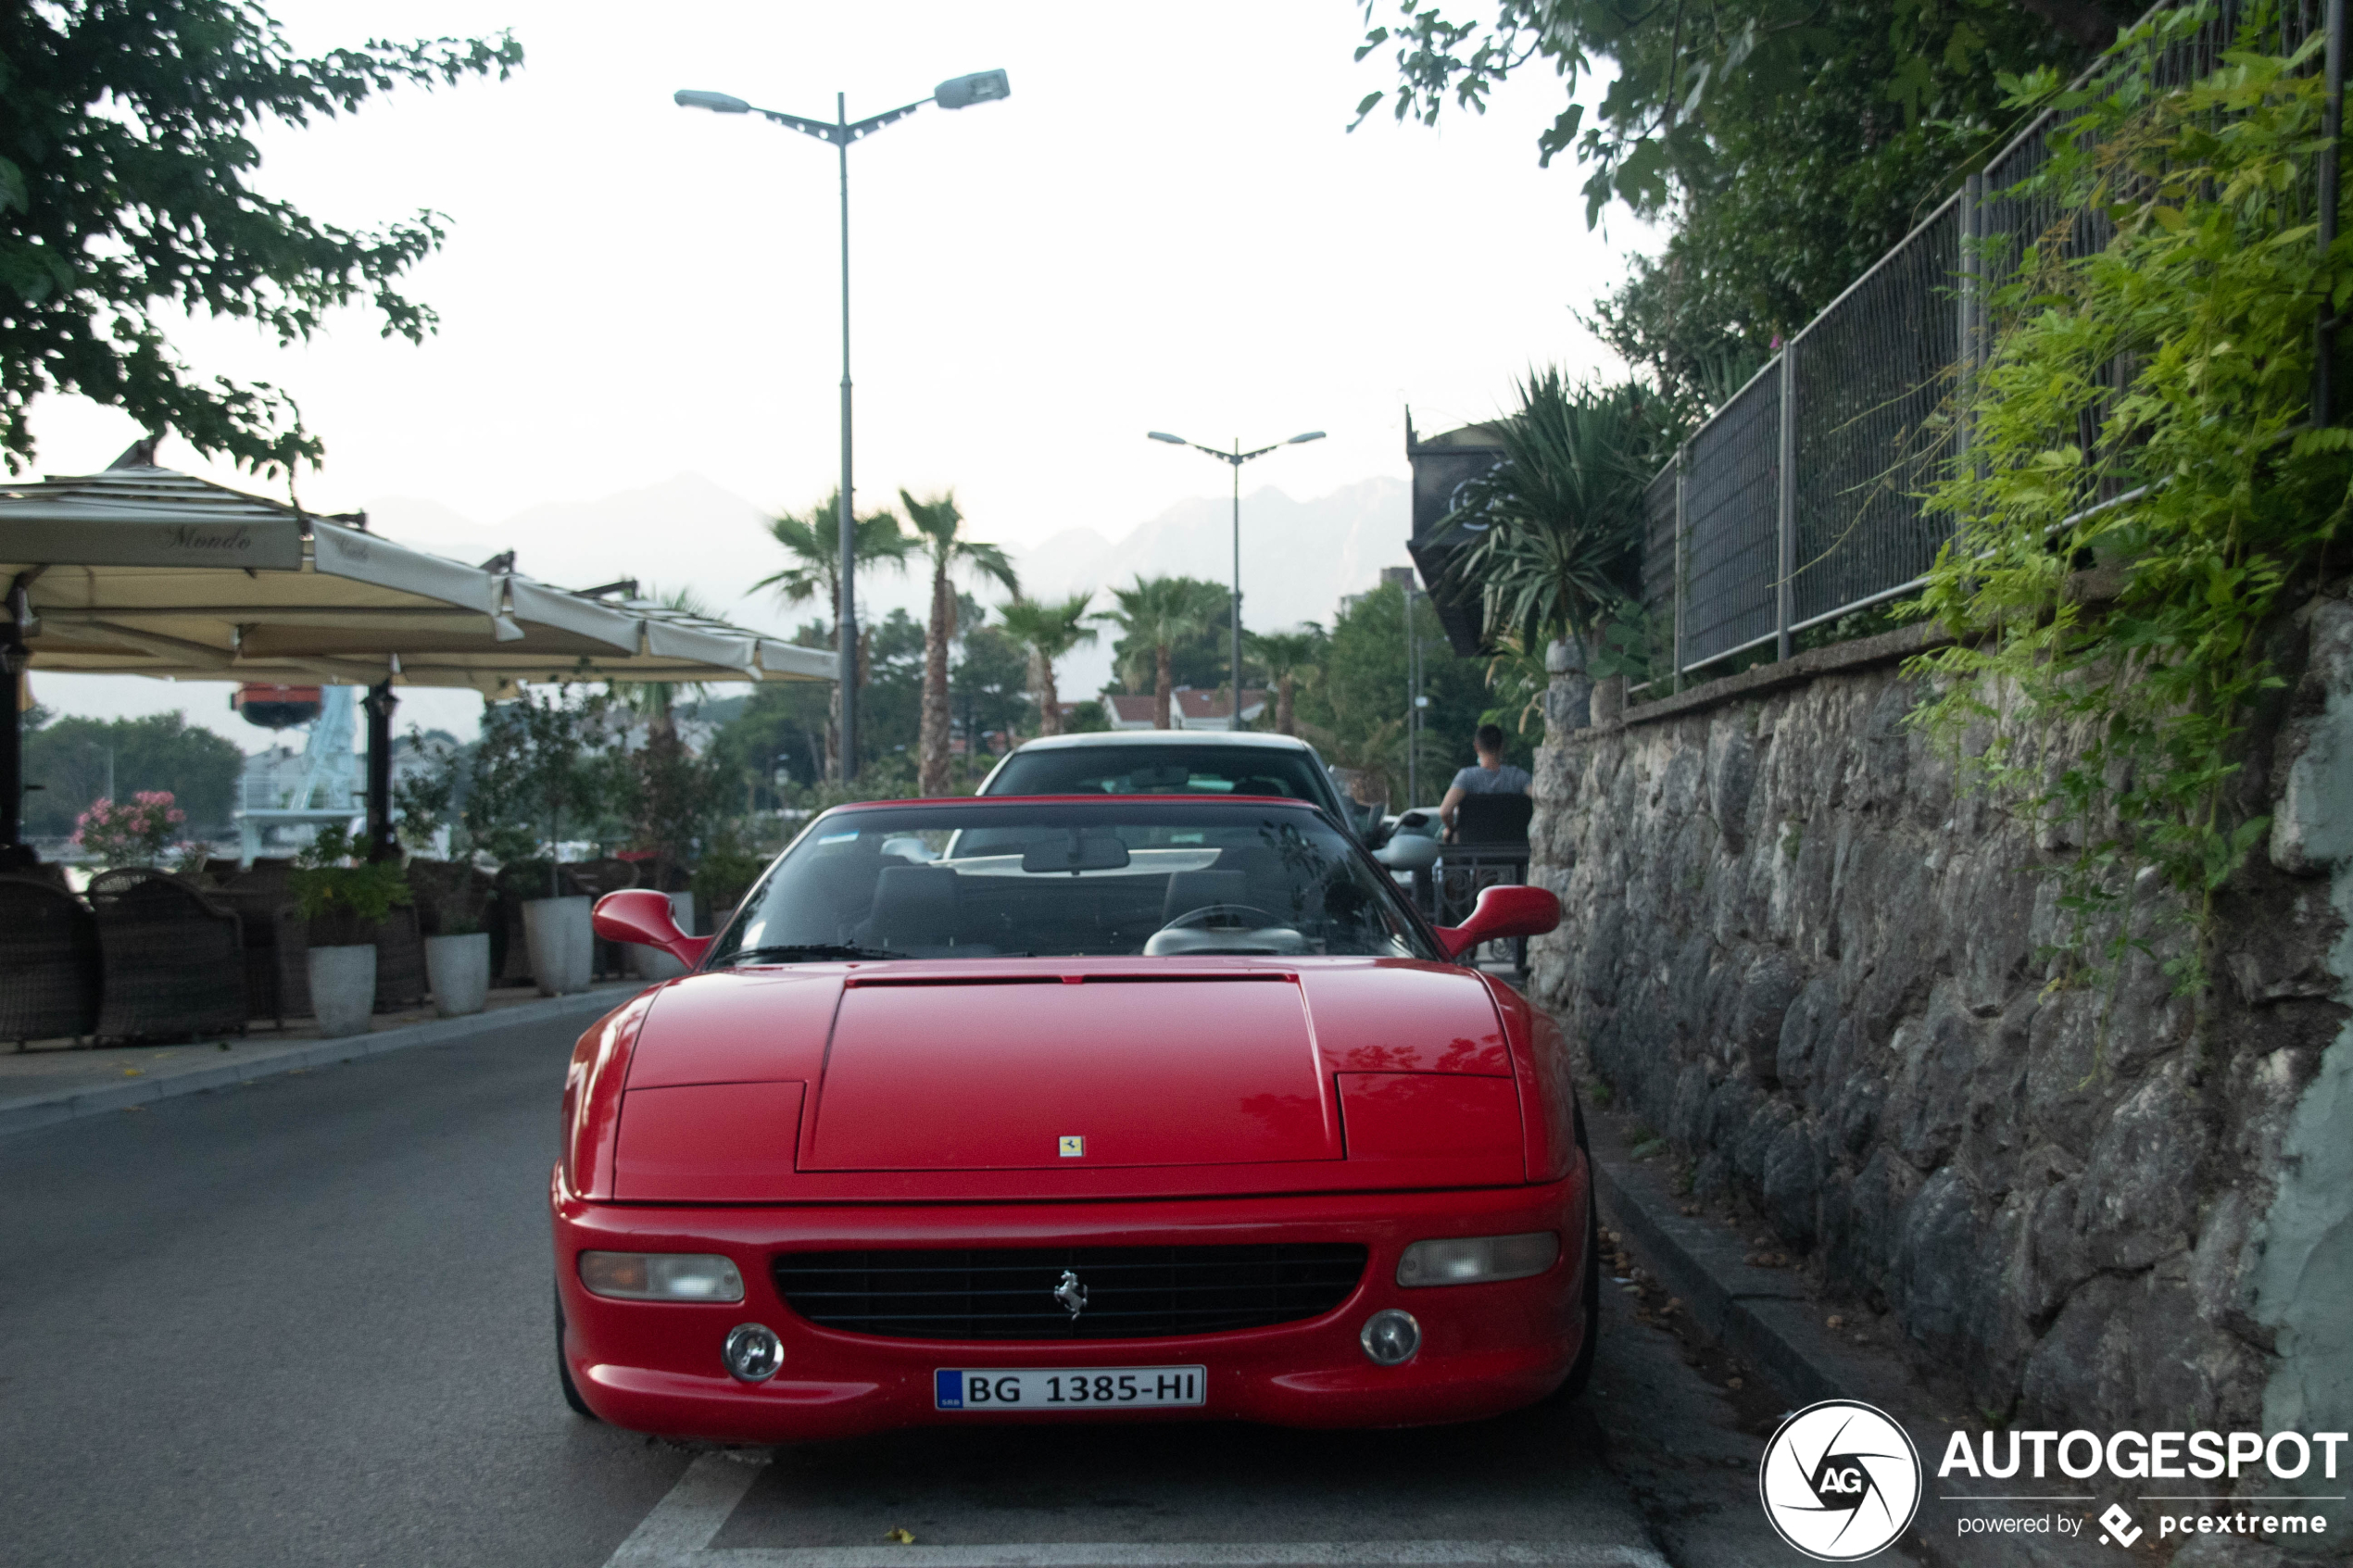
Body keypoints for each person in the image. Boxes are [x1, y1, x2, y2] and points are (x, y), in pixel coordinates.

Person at [1438, 723, 1530, 835]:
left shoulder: (1466, 777)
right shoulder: (1519, 777)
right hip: (1515, 845)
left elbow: (1445, 811)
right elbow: (1540, 797)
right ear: (1501, 746)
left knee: (1443, 835)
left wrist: (1452, 828)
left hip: (1473, 847)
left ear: (1476, 746)